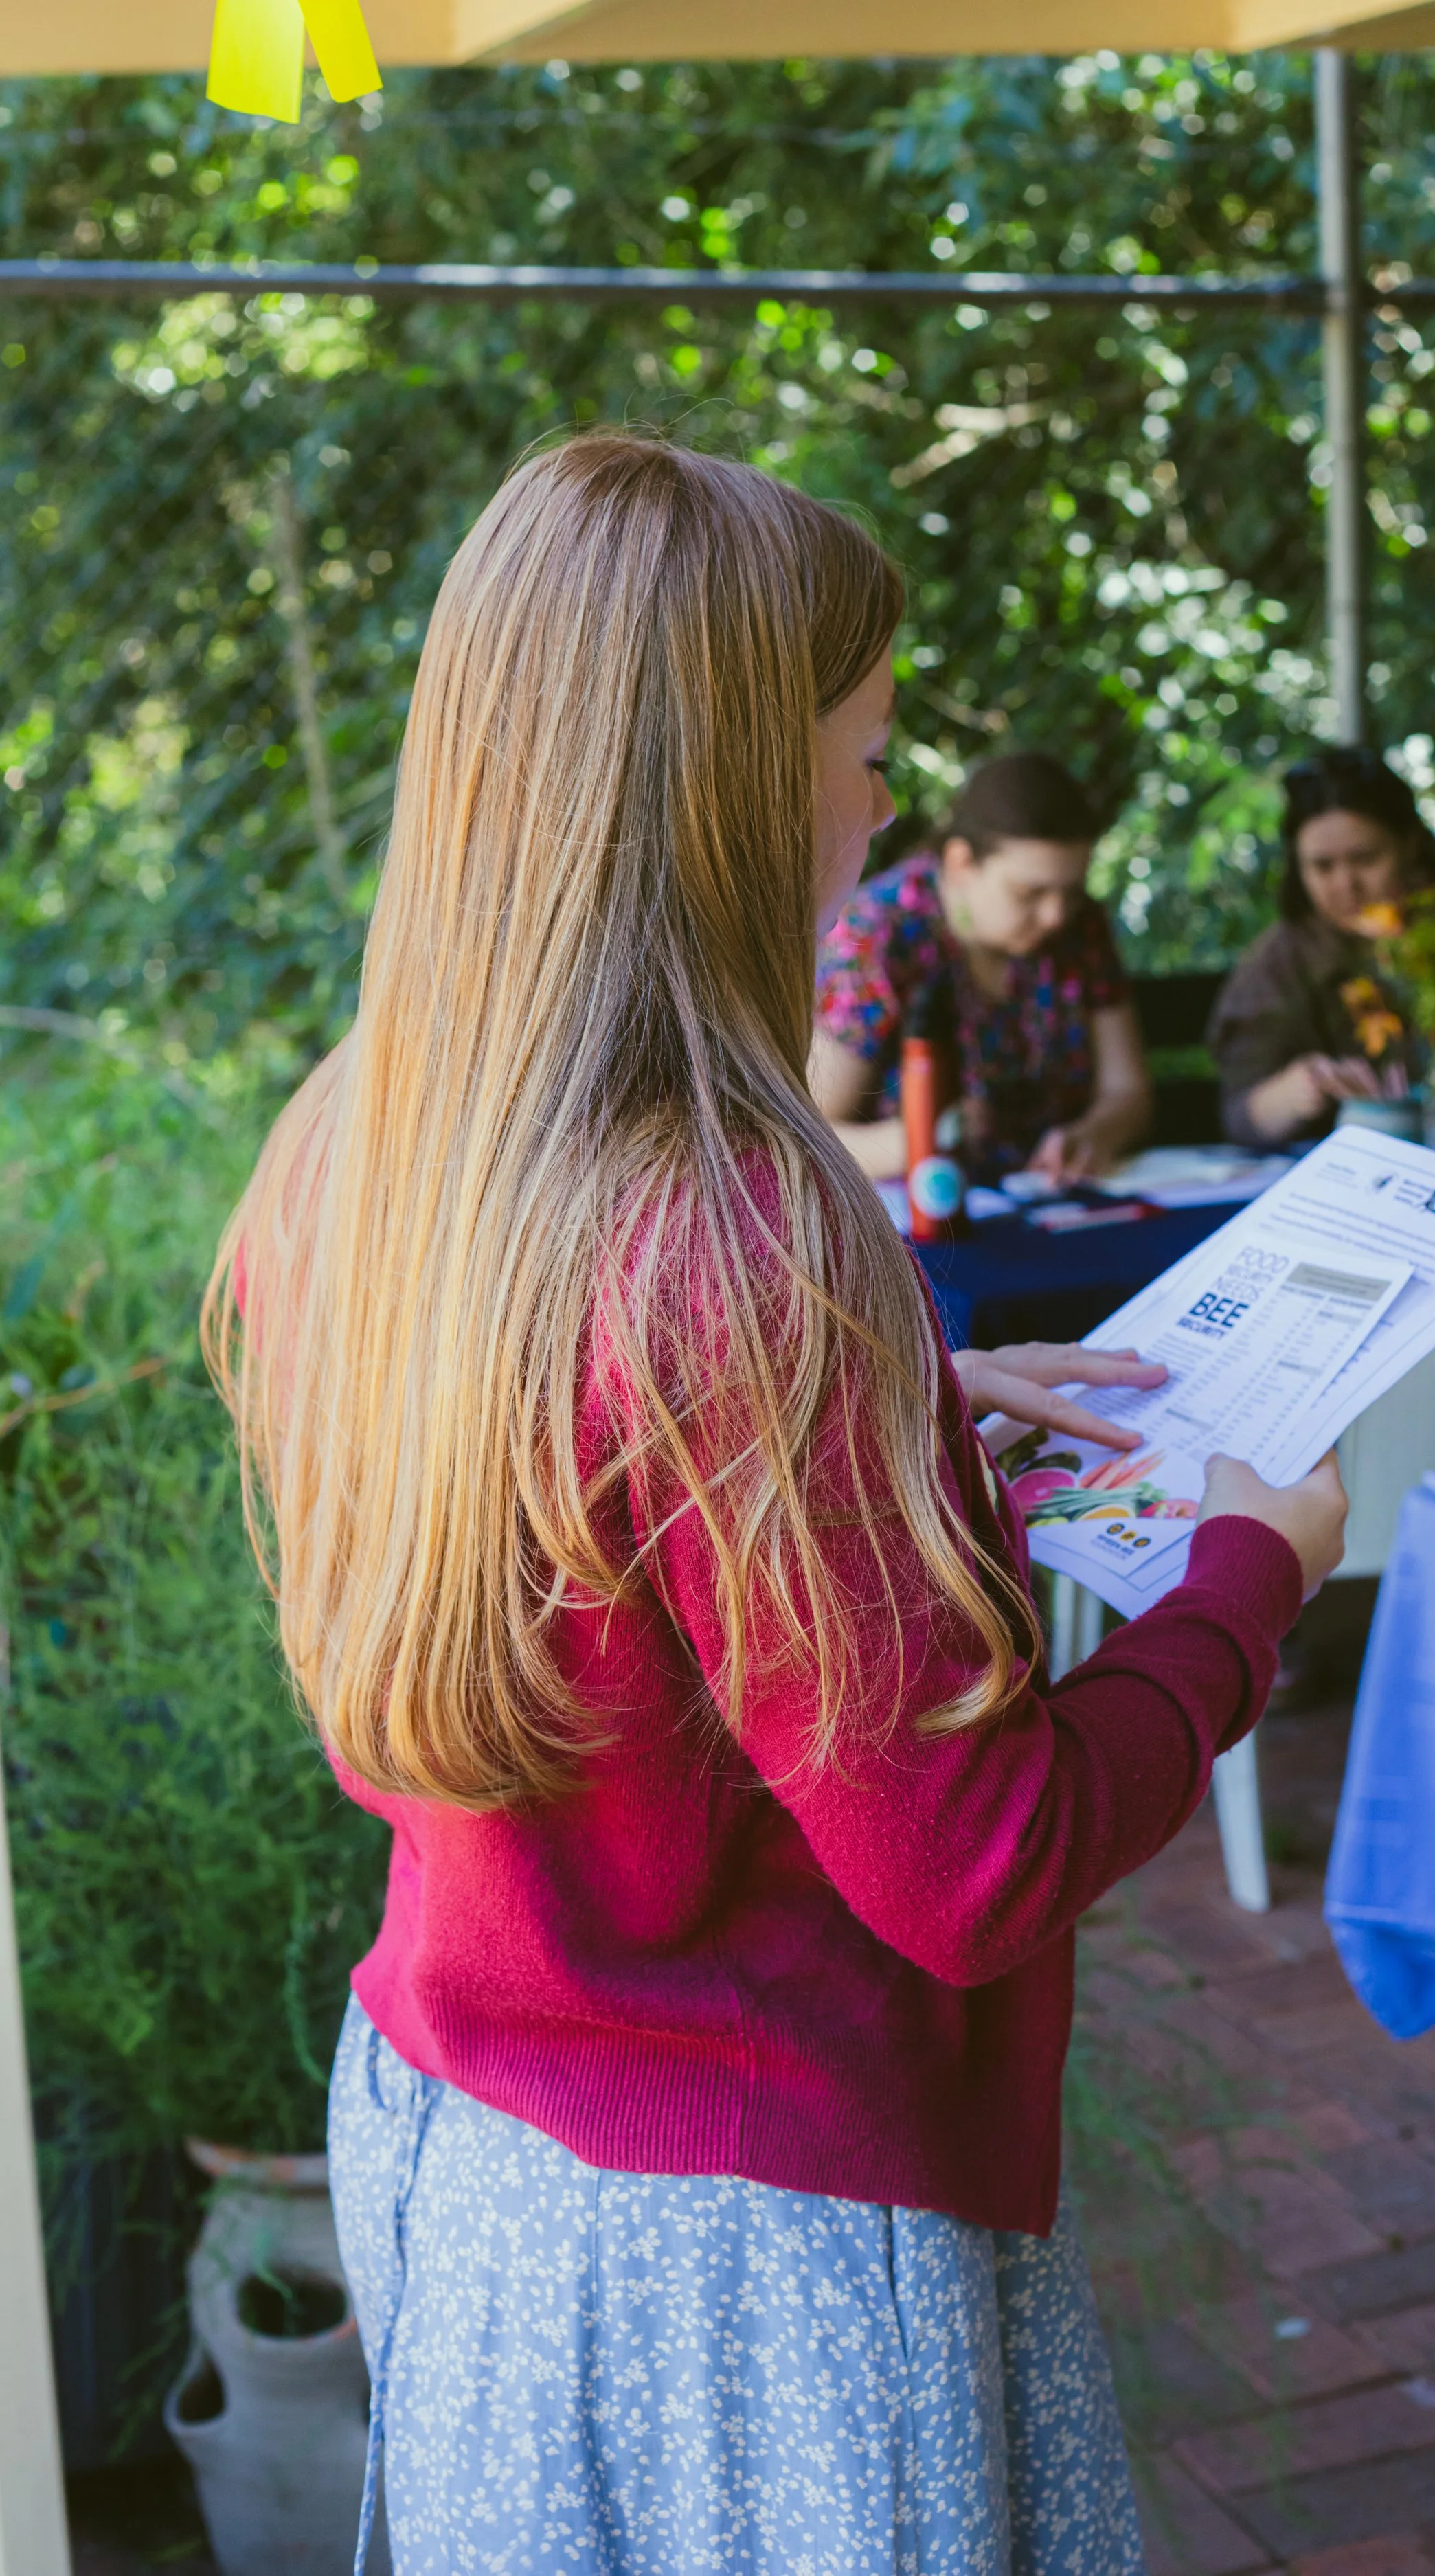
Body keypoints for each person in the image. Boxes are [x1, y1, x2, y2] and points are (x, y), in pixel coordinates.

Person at [205, 435, 1346, 2576]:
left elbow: (596, 1584)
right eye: (863, 751)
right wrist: (1241, 1590)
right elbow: (969, 1864)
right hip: (753, 2255)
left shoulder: (362, 1139)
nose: (881, 811)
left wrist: (892, 1407)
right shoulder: (739, 1241)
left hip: (471, 2148)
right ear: (724, 783)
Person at [1209, 745, 1435, 1149]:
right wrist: (1295, 1092)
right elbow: (1240, 1115)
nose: (1346, 885)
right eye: (1322, 867)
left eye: (1365, 859)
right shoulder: (1281, 962)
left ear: (1409, 844)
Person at [810, 751, 1153, 1183]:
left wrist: (1095, 1135)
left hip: (1058, 1204)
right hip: (925, 1219)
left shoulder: (1081, 926)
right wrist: (923, 1141)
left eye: (1071, 892)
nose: (1056, 916)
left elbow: (1127, 1091)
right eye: (1030, 893)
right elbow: (814, 1134)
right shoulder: (878, 936)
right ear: (961, 864)